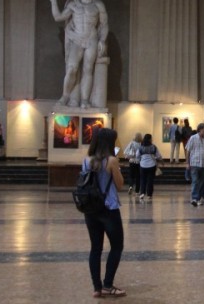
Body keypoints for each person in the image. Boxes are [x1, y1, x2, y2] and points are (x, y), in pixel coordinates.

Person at [48, 0, 108, 109]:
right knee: (72, 68)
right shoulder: (74, 4)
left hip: (91, 39)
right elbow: (58, 17)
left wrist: (102, 40)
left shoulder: (98, 5)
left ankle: (85, 100)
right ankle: (65, 96)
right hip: (76, 39)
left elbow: (104, 24)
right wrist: (53, 1)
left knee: (88, 69)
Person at [80, 128, 126, 298]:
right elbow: (120, 185)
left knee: (95, 248)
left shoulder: (86, 160)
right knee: (117, 246)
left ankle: (97, 288)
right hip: (109, 209)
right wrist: (118, 168)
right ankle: (108, 284)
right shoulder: (112, 161)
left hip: (90, 209)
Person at [137, 134, 162, 202]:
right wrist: (158, 159)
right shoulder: (153, 147)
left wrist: (141, 160)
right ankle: (149, 195)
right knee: (150, 180)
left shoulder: (141, 147)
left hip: (142, 165)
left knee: (142, 180)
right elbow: (158, 155)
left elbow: (137, 156)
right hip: (152, 165)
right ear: (150, 139)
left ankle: (142, 193)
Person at [123, 132, 143, 197]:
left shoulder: (132, 143)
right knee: (138, 177)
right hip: (139, 162)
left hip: (132, 161)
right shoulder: (141, 144)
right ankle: (137, 191)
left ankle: (131, 186)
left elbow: (126, 151)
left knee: (131, 175)